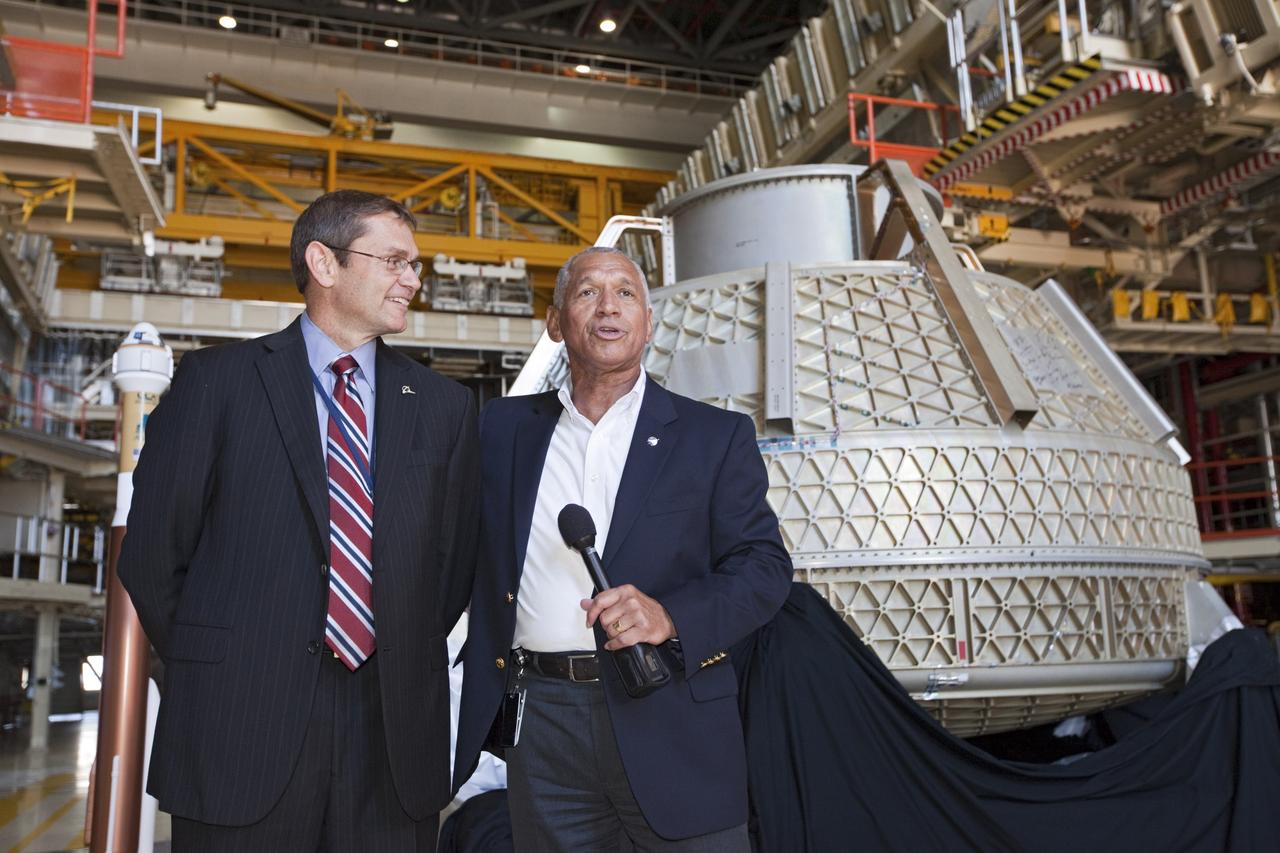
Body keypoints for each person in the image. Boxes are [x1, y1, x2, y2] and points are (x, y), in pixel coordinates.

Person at [119, 190, 480, 852]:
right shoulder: (215, 382)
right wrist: (228, 663)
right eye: (395, 260)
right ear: (324, 262)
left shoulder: (444, 407)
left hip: (392, 737)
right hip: (239, 725)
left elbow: (449, 569)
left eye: (415, 263)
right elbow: (151, 555)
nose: (414, 278)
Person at [454, 246, 792, 851]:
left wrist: (671, 615)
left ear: (648, 324)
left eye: (625, 292)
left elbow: (765, 568)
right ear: (556, 323)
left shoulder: (714, 437)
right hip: (544, 722)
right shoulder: (500, 429)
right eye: (586, 292)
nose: (607, 306)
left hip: (672, 711)